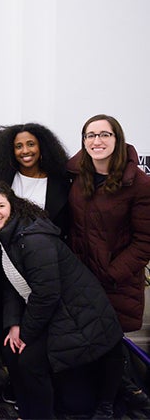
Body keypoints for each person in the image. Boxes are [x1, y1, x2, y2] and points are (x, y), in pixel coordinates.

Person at [0, 180, 124, 419]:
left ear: (12, 205)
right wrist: (14, 324)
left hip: (76, 314)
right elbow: (12, 283)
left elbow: (47, 296)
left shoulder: (33, 239)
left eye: (0, 205)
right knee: (11, 348)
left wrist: (25, 333)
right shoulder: (4, 235)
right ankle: (28, 411)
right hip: (55, 310)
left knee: (30, 362)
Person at [67, 114, 150, 412]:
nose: (97, 141)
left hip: (118, 279)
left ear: (118, 139)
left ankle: (108, 405)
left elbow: (145, 240)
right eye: (90, 135)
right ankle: (119, 394)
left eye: (104, 135)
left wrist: (112, 273)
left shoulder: (137, 183)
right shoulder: (77, 177)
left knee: (112, 341)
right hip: (84, 278)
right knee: (90, 339)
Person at [0, 123, 70, 236]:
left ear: (41, 147)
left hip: (47, 247)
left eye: (31, 144)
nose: (25, 151)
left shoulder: (60, 181)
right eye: (18, 146)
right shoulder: (3, 180)